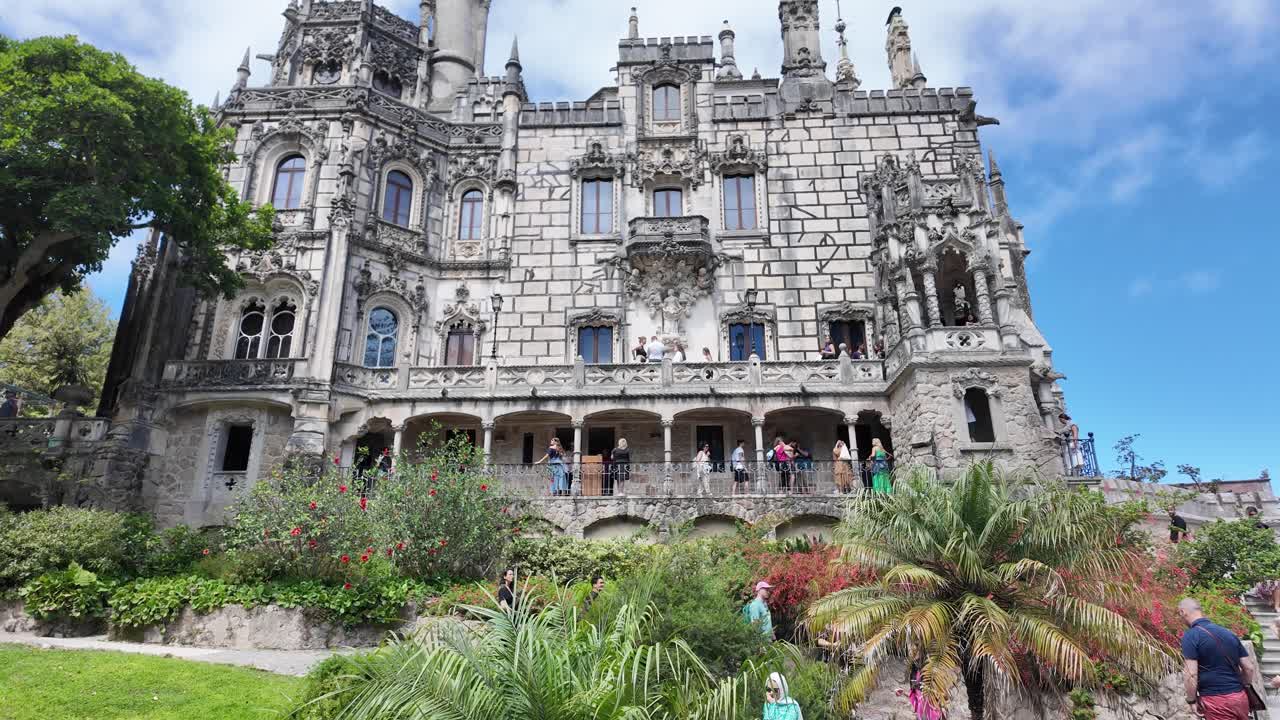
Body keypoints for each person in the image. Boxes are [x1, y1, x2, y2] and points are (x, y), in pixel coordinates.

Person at [1179, 597, 1257, 719]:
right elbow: (1248, 667)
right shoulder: (1228, 633)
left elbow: (1191, 674)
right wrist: (1244, 686)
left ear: (1183, 612)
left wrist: (1191, 700)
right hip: (1240, 698)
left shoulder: (1191, 636)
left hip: (1215, 701)